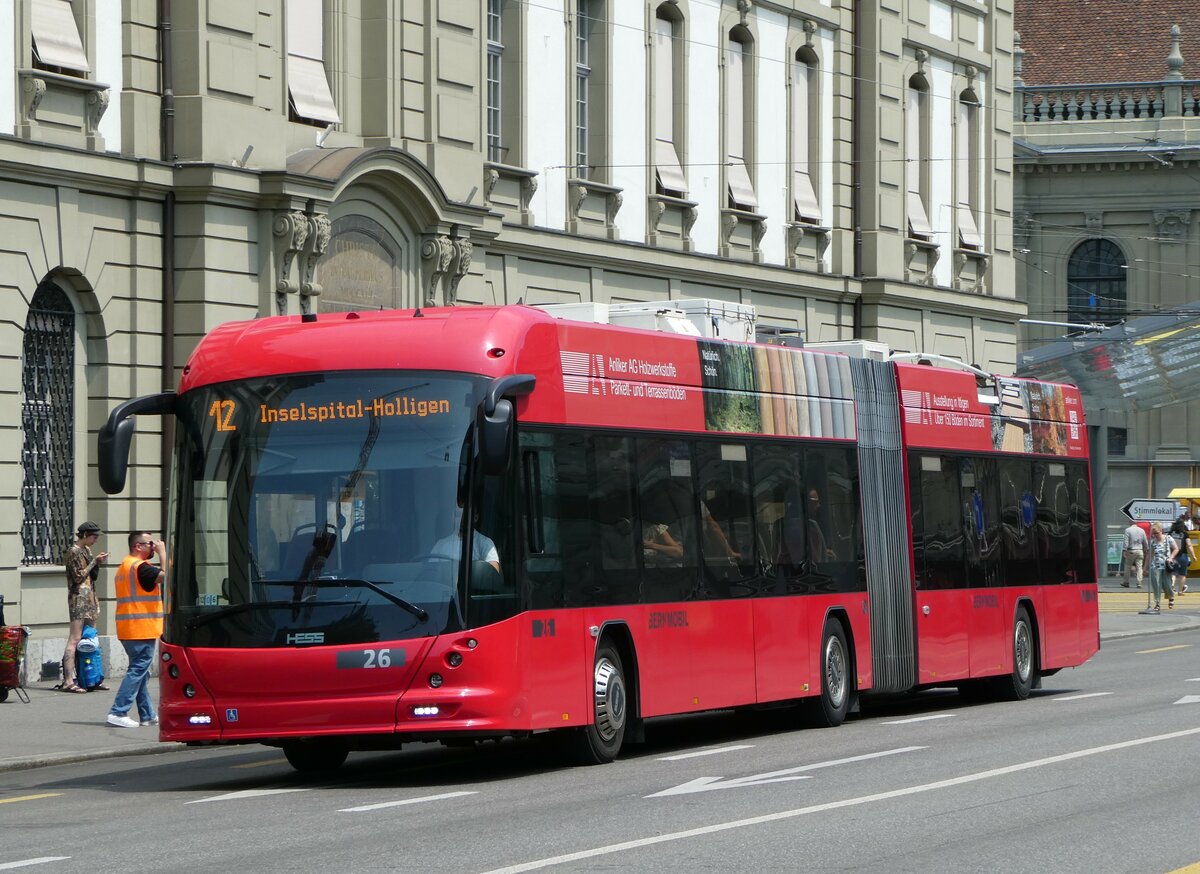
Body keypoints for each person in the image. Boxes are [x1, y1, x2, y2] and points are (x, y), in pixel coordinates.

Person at [106, 532, 165, 728]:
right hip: (142, 628)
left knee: (141, 672)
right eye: (150, 543)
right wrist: (163, 554)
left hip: (129, 628)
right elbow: (165, 577)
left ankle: (147, 714)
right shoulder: (141, 567)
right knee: (138, 670)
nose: (153, 546)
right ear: (138, 546)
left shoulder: (125, 565)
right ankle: (118, 711)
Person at [60, 521, 109, 694]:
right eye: (94, 536)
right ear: (85, 534)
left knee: (90, 639)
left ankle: (91, 678)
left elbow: (92, 576)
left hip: (89, 598)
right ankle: (68, 680)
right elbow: (78, 576)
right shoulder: (73, 551)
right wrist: (94, 562)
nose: (96, 540)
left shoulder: (87, 550)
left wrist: (98, 562)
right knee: (75, 639)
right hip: (78, 599)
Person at [431, 507, 500, 572]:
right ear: (453, 517)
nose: (462, 518)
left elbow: (492, 574)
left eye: (466, 514)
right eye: (458, 514)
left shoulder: (485, 543)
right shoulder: (441, 545)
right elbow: (429, 571)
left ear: (475, 517)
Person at [1148, 523, 1177, 612]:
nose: (1155, 535)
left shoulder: (1168, 538)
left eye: (1157, 533)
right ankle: (1157, 603)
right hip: (1155, 566)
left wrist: (1171, 557)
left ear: (1161, 531)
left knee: (1167, 584)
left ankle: (1171, 596)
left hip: (1166, 565)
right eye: (1154, 534)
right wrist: (1145, 567)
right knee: (1156, 585)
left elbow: (1176, 549)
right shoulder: (1152, 541)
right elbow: (1150, 555)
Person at [1169, 517, 1195, 596]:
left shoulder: (1170, 533)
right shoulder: (1185, 534)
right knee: (1182, 574)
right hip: (1183, 555)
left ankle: (1172, 586)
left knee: (1173, 572)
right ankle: (1180, 591)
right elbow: (1189, 545)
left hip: (1173, 555)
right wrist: (1193, 556)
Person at [1121, 520, 1149, 588]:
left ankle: (1126, 582)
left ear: (1130, 522)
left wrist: (1124, 550)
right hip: (1140, 550)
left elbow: (1126, 541)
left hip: (1131, 550)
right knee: (1139, 567)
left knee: (1128, 566)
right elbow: (1145, 541)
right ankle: (1139, 582)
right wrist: (1146, 548)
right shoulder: (1142, 530)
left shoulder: (1128, 530)